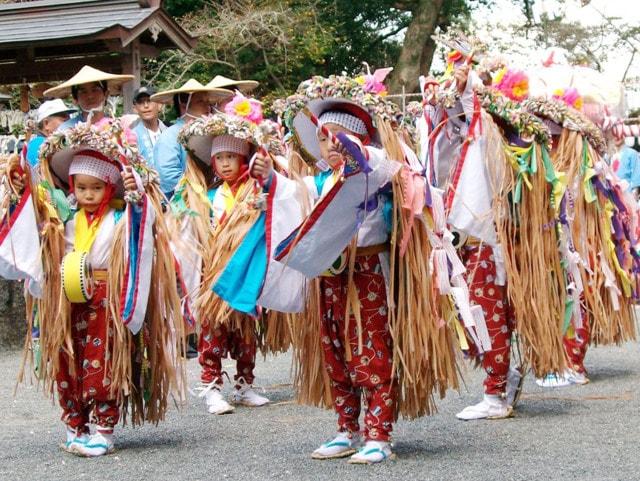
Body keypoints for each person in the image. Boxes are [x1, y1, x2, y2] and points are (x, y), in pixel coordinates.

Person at [2, 120, 183, 457]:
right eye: (81, 187)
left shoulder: (119, 218)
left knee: (103, 361)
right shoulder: (66, 219)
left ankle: (103, 428)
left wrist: (136, 195)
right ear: (72, 186)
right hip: (68, 302)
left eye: (96, 188)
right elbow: (39, 223)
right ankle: (75, 425)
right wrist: (19, 187)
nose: (87, 194)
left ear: (109, 188)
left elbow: (144, 225)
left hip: (105, 301)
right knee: (67, 361)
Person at [151, 79, 231, 197]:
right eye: (200, 101)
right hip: (186, 201)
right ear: (184, 105)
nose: (207, 106)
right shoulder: (170, 136)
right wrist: (198, 190)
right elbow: (168, 176)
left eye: (208, 101)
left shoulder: (212, 131)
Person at [43, 65, 133, 131]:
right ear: (75, 99)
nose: (90, 96)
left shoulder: (117, 127)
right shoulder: (66, 130)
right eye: (83, 92)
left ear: (106, 94)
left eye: (95, 90)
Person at [24, 99, 76, 167]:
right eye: (64, 121)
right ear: (46, 123)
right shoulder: (40, 146)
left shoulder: (42, 143)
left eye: (69, 120)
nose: (69, 124)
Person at [130, 86, 166, 167]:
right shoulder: (132, 137)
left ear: (160, 105)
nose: (146, 105)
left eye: (150, 100)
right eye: (140, 102)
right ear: (135, 109)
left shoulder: (170, 132)